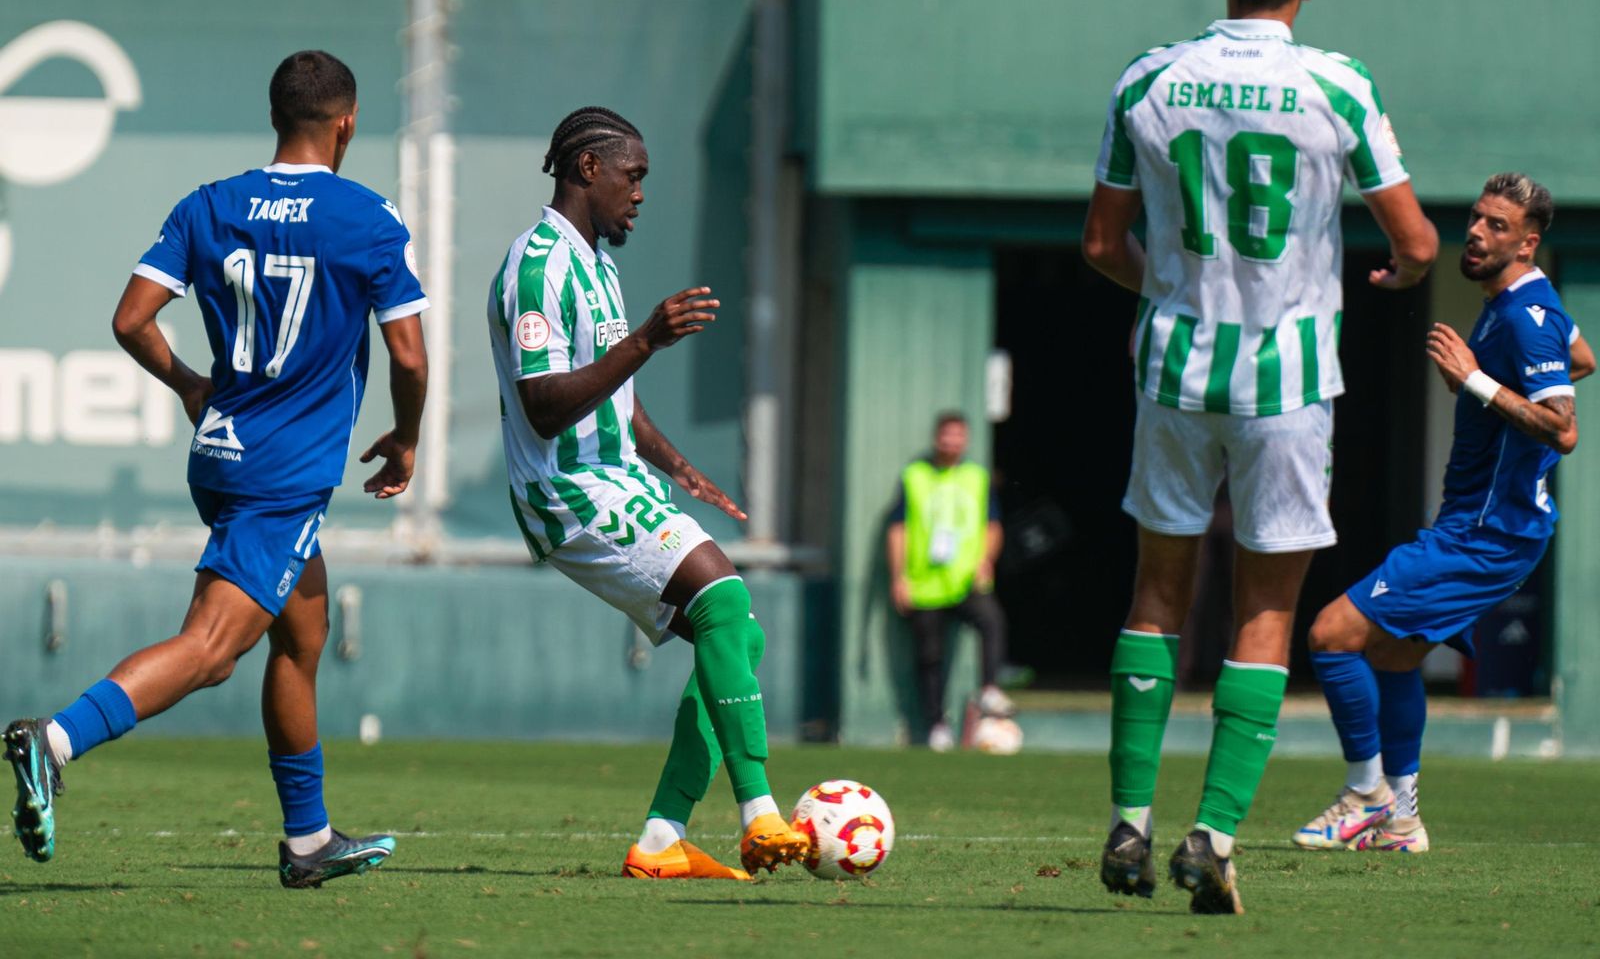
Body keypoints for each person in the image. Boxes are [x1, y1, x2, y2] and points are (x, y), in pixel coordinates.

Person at [1083, 0, 1439, 914]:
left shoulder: (1148, 79)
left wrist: (1165, 286)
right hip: (1287, 379)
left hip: (1174, 367)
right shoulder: (1338, 85)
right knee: (1266, 610)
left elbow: (1102, 244)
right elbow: (1416, 241)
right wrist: (1403, 275)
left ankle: (1130, 820)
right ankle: (1213, 833)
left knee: (1157, 594)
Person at [5, 50, 429, 889]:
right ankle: (53, 741)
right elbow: (409, 356)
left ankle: (308, 840)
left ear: (276, 117)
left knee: (302, 634)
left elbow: (131, 320)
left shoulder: (209, 204)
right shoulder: (367, 217)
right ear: (347, 124)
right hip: (285, 473)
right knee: (211, 650)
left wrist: (190, 385)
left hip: (223, 454)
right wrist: (408, 438)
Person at [488, 106, 809, 882]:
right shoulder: (537, 267)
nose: (639, 194)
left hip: (617, 477)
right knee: (724, 601)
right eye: (632, 177)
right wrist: (647, 339)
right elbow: (545, 405)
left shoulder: (597, 265)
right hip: (567, 487)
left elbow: (614, 395)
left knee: (738, 639)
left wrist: (675, 465)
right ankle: (760, 814)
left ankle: (663, 838)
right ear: (588, 169)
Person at [1295, 174, 1593, 855]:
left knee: (1331, 635)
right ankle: (1402, 822)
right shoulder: (1524, 305)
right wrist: (1496, 384)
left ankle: (1366, 794)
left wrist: (1475, 381)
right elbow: (1582, 358)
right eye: (1477, 219)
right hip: (1485, 528)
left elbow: (1563, 430)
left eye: (1497, 225)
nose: (1477, 233)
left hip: (1488, 533)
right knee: (1393, 655)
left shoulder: (1523, 316)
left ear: (1528, 243)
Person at [887, 410, 1012, 751]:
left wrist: (986, 560)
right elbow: (898, 528)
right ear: (936, 437)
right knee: (930, 655)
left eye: (958, 435)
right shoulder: (915, 475)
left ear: (966, 440)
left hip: (964, 579)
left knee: (992, 620)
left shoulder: (977, 477)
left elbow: (992, 525)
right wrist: (899, 577)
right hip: (925, 583)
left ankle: (989, 688)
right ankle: (937, 725)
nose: (952, 442)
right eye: (947, 435)